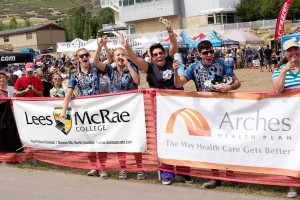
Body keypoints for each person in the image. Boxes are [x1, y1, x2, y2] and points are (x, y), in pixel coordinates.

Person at [119, 19, 193, 185]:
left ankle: (184, 171)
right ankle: (166, 173)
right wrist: (126, 46)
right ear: (151, 58)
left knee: (182, 139)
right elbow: (135, 59)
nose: (159, 56)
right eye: (155, 54)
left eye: (161, 53)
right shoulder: (149, 68)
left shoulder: (170, 60)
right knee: (164, 141)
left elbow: (173, 44)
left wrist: (170, 31)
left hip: (179, 108)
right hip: (160, 111)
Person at [173, 40, 241, 189]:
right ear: (199, 54)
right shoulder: (193, 67)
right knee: (211, 145)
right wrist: (175, 72)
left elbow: (237, 83)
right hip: (205, 112)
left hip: (223, 110)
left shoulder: (222, 64)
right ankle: (215, 177)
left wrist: (229, 87)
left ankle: (231, 175)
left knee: (226, 143)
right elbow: (178, 84)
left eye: (211, 51)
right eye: (205, 53)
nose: (209, 54)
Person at [93, 35, 144, 180]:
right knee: (121, 140)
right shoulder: (110, 70)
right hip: (117, 111)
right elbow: (95, 62)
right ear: (114, 58)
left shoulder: (131, 67)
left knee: (135, 138)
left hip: (132, 109)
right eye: (118, 55)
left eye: (122, 54)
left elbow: (137, 80)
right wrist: (101, 46)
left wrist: (128, 64)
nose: (120, 57)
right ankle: (123, 169)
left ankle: (140, 169)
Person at [272, 38, 300, 198]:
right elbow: (277, 89)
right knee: (293, 151)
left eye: (296, 49)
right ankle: (292, 186)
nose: (293, 53)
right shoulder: (279, 69)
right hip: (291, 119)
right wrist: (284, 70)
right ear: (285, 53)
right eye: (290, 50)